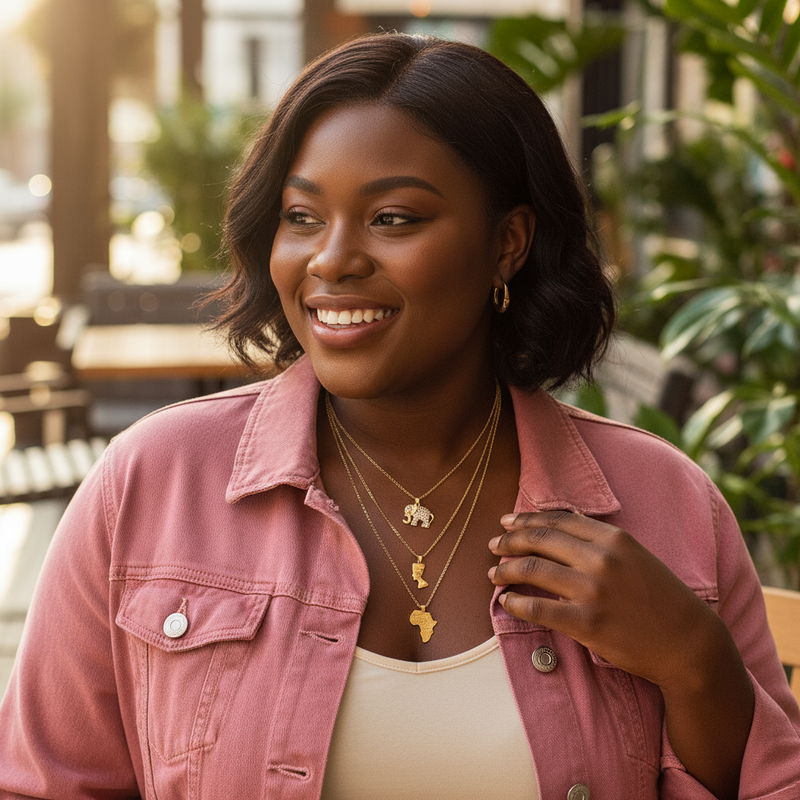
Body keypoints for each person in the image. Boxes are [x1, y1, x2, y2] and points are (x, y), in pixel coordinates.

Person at [1, 32, 799, 800]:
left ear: (508, 243)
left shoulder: (666, 505)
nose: (332, 259)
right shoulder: (152, 483)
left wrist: (695, 660)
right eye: (303, 217)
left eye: (393, 219)